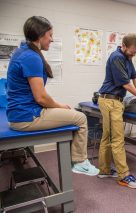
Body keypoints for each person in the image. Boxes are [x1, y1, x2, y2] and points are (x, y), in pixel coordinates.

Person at [6, 16, 99, 176]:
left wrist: (57, 105)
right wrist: (60, 106)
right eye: (50, 35)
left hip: (20, 113)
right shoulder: (31, 57)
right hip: (27, 117)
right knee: (81, 118)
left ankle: (75, 158)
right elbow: (40, 97)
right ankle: (80, 162)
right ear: (40, 34)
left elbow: (38, 95)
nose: (52, 39)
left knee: (71, 113)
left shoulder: (23, 50)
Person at [98, 33, 136, 189]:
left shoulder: (127, 58)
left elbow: (135, 77)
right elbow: (126, 84)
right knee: (117, 140)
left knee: (107, 138)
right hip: (111, 101)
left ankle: (105, 170)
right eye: (132, 52)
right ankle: (124, 175)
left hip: (113, 101)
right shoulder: (117, 57)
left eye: (135, 53)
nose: (133, 55)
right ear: (124, 46)